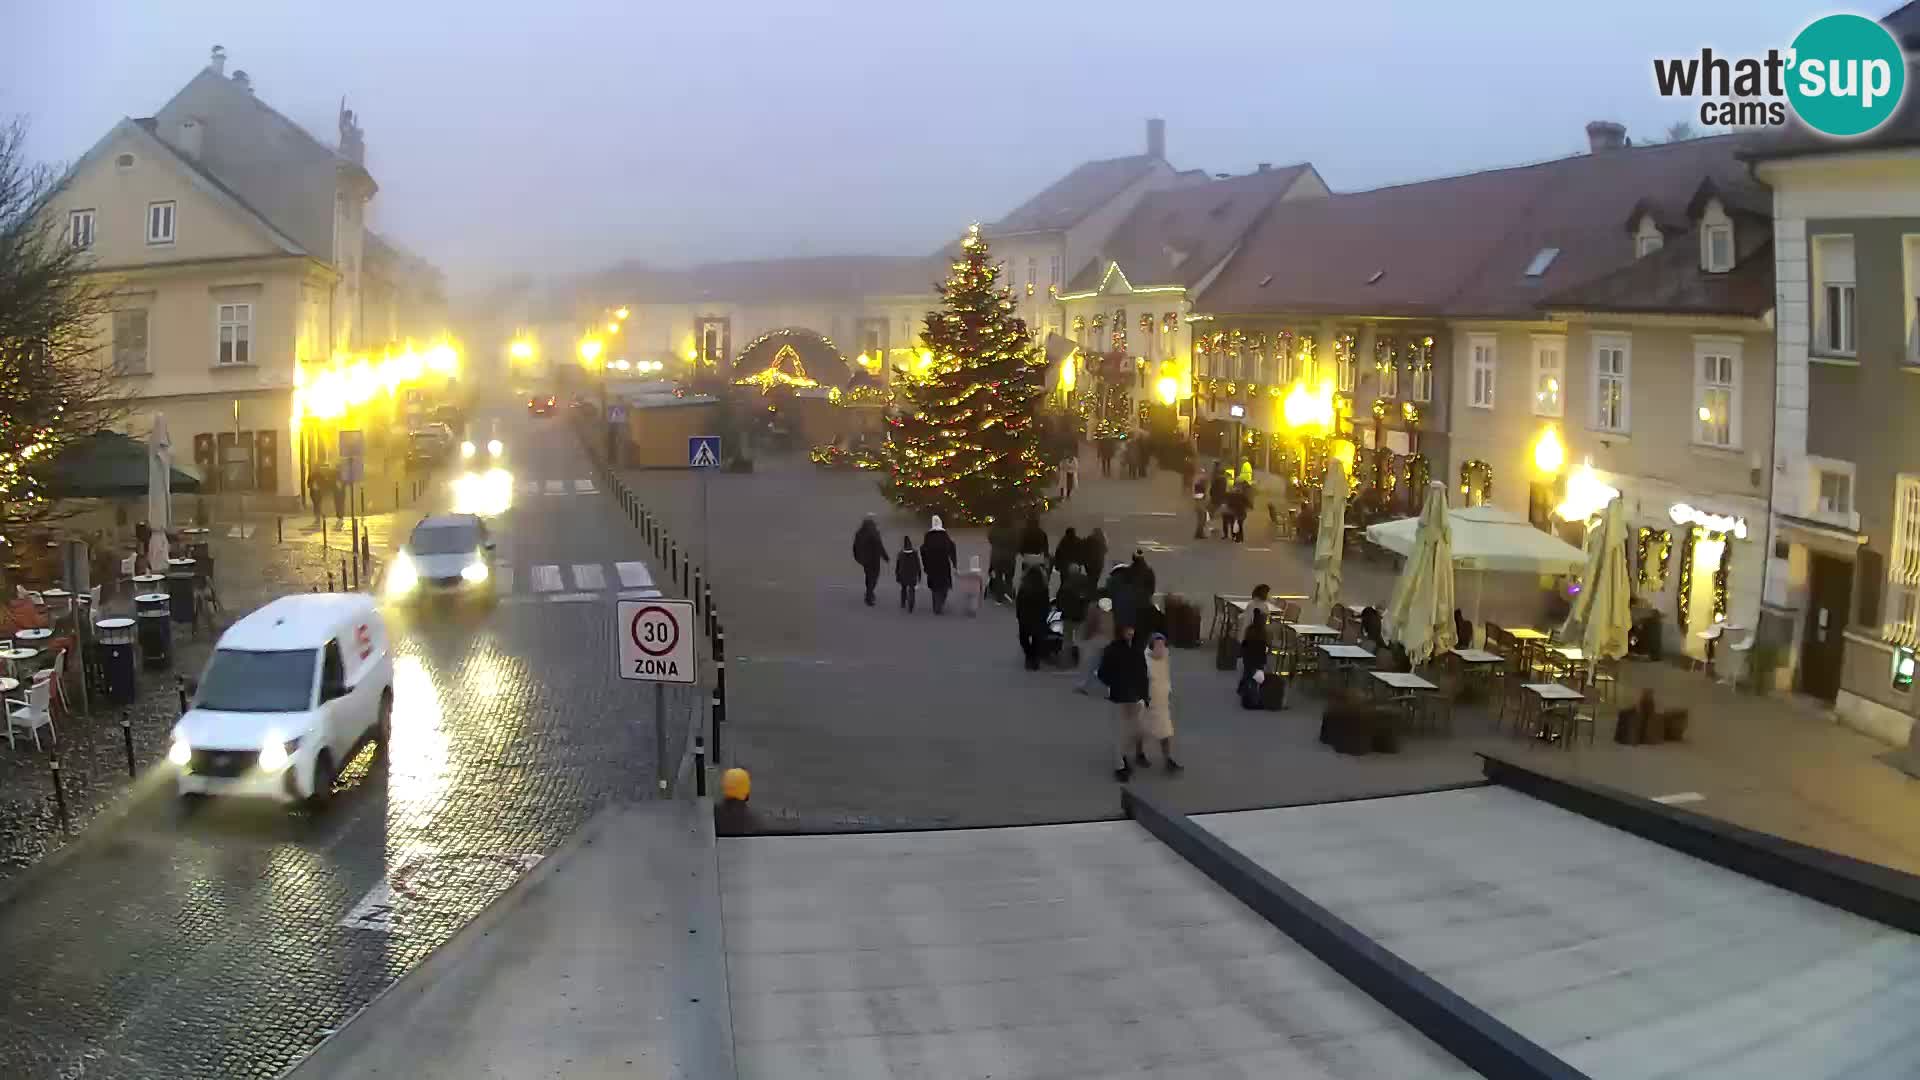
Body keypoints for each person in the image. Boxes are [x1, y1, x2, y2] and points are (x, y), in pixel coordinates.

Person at [1097, 623, 1149, 781]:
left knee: (1133, 731)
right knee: (1119, 732)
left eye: (1132, 629)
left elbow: (1143, 675)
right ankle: (1119, 766)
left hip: (1134, 697)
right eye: (1127, 630)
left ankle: (1124, 757)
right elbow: (1102, 673)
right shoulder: (1112, 651)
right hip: (1119, 697)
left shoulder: (1137, 651)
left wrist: (1145, 696)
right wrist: (1116, 683)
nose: (1130, 632)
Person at [1143, 633, 1182, 772]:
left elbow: (1165, 674)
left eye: (1162, 644)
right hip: (1148, 701)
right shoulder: (1145, 660)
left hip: (1162, 701)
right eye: (1158, 645)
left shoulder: (1165, 656)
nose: (1160, 648)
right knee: (1141, 730)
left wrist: (1168, 689)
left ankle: (1168, 760)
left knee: (1165, 731)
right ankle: (1138, 754)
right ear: (1151, 645)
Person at [1056, 561, 1093, 664]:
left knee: (1067, 638)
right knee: (1079, 637)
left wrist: (1060, 609)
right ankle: (1080, 659)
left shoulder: (1067, 582)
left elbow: (1060, 597)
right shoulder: (1086, 581)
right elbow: (1090, 596)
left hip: (1068, 615)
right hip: (1081, 614)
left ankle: (1067, 659)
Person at [1015, 566, 1052, 671]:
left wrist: (1018, 615)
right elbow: (1046, 604)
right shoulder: (1044, 588)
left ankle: (1029, 656)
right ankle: (1034, 659)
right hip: (1038, 617)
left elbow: (1019, 603)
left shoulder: (1023, 588)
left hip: (1025, 617)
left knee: (1024, 638)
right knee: (1037, 639)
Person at [921, 516, 958, 614]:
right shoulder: (944, 535)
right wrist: (954, 564)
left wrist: (925, 564)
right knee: (944, 585)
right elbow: (951, 548)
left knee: (934, 586)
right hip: (943, 564)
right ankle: (940, 602)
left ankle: (936, 604)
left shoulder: (928, 536)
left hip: (931, 564)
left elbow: (923, 550)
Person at [852, 515, 888, 606]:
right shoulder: (874, 533)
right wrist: (885, 557)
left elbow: (855, 547)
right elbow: (879, 546)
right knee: (874, 577)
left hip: (865, 560)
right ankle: (869, 595)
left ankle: (869, 592)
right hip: (874, 559)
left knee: (869, 576)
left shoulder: (859, 533)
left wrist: (858, 557)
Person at [986, 517, 1016, 603]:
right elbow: (1017, 542)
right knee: (1009, 578)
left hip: (997, 557)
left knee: (998, 577)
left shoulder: (995, 530)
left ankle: (999, 598)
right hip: (1009, 557)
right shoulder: (1013, 531)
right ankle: (1009, 595)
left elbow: (990, 539)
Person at [1241, 609, 1271, 687]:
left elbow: (1244, 643)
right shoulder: (1264, 632)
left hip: (1248, 658)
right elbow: (1267, 645)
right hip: (1260, 659)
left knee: (1247, 674)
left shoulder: (1249, 629)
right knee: (1258, 677)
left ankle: (1244, 688)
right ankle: (1258, 691)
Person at [895, 536, 921, 612]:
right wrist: (919, 574)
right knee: (912, 589)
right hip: (913, 574)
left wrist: (897, 575)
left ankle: (903, 602)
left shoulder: (900, 553)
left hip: (903, 573)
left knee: (903, 588)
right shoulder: (915, 553)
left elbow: (898, 565)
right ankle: (911, 603)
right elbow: (918, 565)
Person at [1208, 463, 1229, 536]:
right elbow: (1225, 490)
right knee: (1218, 513)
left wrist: (1211, 495)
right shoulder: (1224, 481)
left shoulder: (1217, 479)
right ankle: (1217, 527)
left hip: (1215, 498)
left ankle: (1213, 527)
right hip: (1221, 498)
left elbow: (1212, 489)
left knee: (1213, 512)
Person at [1191, 471, 1211, 540]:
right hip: (1200, 505)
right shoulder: (1200, 487)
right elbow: (1200, 497)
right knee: (1201, 519)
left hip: (1199, 504)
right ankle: (1199, 534)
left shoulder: (1198, 486)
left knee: (1201, 519)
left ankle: (1198, 533)